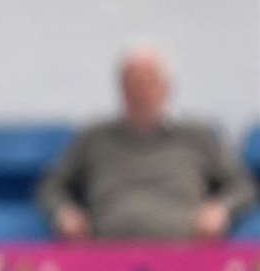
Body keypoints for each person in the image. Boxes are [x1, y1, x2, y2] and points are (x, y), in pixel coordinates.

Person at [38, 45, 258, 241]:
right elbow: (51, 187)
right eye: (132, 84)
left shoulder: (198, 137)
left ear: (166, 88)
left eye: (148, 83)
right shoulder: (93, 138)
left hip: (185, 253)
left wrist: (221, 209)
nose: (140, 92)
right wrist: (63, 212)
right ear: (121, 88)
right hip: (106, 253)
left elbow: (243, 187)